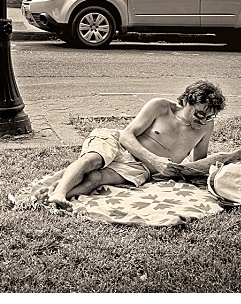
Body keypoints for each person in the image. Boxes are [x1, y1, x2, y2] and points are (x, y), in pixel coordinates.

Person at [47, 80, 226, 208]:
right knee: (92, 161)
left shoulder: (205, 127)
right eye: (200, 114)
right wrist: (156, 160)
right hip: (118, 143)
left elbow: (198, 162)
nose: (203, 121)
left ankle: (54, 197)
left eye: (209, 116)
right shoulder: (161, 107)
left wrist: (206, 171)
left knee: (96, 179)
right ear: (188, 101)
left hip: (140, 168)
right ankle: (59, 192)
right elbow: (126, 135)